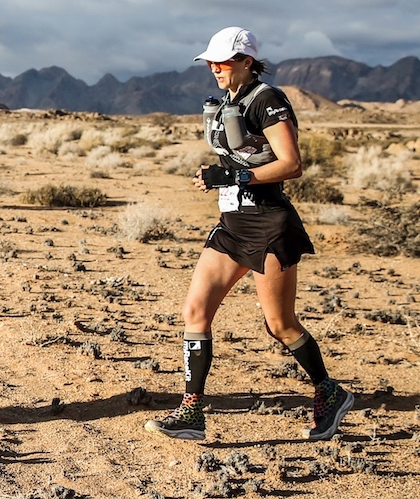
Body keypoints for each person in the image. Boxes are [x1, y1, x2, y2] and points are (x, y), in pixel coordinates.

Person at [144, 27, 354, 443]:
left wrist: (236, 175)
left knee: (280, 324)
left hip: (268, 225)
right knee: (195, 313)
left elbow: (292, 164)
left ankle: (330, 393)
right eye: (210, 62)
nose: (214, 68)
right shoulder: (229, 101)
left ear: (246, 61)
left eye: (222, 61)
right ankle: (192, 412)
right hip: (232, 225)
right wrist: (216, 175)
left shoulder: (267, 100)